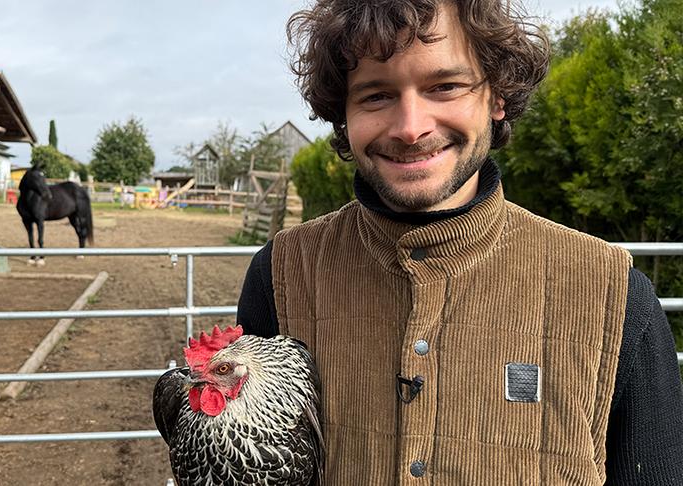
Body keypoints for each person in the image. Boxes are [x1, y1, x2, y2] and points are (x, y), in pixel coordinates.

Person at [236, 0, 683, 484]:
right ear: (342, 113)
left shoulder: (614, 297)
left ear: (497, 96)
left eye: (445, 86)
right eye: (376, 95)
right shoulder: (280, 278)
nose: (411, 128)